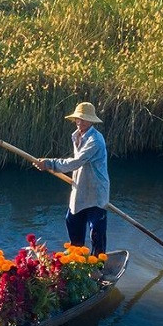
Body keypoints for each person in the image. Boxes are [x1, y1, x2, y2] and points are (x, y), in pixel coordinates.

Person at [35, 100, 110, 254]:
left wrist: (50, 164)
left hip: (96, 191)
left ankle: (98, 265)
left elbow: (76, 162)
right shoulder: (76, 136)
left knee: (96, 232)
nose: (79, 122)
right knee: (73, 223)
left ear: (91, 121)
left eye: (83, 119)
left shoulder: (95, 140)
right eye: (77, 118)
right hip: (80, 188)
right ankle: (77, 260)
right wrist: (49, 164)